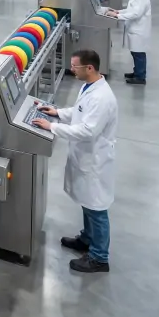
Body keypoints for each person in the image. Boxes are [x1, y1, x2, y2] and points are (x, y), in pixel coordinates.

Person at [32, 49, 117, 273]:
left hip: (95, 160)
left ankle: (99, 258)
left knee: (96, 208)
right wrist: (58, 112)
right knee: (88, 203)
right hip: (85, 157)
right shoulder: (89, 85)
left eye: (75, 66)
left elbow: (88, 130)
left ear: (89, 68)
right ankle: (87, 240)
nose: (72, 69)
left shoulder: (101, 98)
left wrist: (52, 126)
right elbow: (80, 112)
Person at [107, 0, 151, 85]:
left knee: (139, 54)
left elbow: (136, 14)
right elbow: (130, 10)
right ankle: (137, 73)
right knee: (135, 52)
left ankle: (140, 77)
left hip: (139, 30)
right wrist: (118, 12)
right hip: (134, 29)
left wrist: (117, 16)